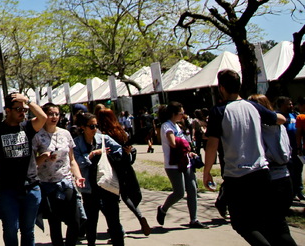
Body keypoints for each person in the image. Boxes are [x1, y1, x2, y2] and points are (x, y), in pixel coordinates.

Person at [204, 69, 295, 246]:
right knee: (275, 223)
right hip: (262, 173)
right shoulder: (253, 106)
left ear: (221, 88)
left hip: (237, 177)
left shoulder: (219, 111)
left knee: (242, 223)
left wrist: (207, 172)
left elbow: (212, 144)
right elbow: (279, 119)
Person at [0, 92, 48, 246]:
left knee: (28, 230)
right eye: (18, 109)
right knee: (11, 229)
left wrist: (28, 101)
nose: (22, 112)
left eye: (24, 110)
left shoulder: (27, 127)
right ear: (7, 110)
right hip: (7, 190)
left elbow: (43, 118)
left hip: (31, 187)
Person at [33, 103, 85, 246]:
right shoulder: (38, 136)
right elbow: (32, 163)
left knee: (75, 221)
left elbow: (72, 160)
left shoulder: (65, 133)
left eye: (57, 114)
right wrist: (44, 156)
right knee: (54, 222)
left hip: (66, 181)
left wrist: (78, 176)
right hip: (48, 184)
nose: (54, 117)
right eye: (51, 114)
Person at [73, 112, 125, 246]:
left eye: (96, 125)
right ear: (83, 127)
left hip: (107, 184)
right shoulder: (77, 143)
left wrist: (115, 153)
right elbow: (77, 162)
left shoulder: (103, 138)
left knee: (113, 219)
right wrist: (92, 155)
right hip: (90, 187)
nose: (95, 129)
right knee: (91, 220)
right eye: (91, 126)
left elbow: (119, 151)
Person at [96, 107, 150, 236]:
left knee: (111, 200)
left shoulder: (103, 133)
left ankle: (118, 228)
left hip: (111, 168)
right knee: (126, 196)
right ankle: (140, 216)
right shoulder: (120, 130)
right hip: (125, 167)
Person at [155, 101, 202, 229]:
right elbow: (173, 143)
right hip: (173, 165)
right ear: (173, 113)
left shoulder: (177, 126)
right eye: (181, 113)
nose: (183, 115)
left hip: (185, 162)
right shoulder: (167, 126)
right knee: (179, 192)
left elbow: (182, 143)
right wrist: (184, 144)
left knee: (192, 189)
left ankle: (194, 219)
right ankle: (163, 209)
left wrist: (189, 151)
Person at [249, 95, 293, 217]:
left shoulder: (260, 128)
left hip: (269, 178)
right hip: (285, 176)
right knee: (278, 224)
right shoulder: (280, 124)